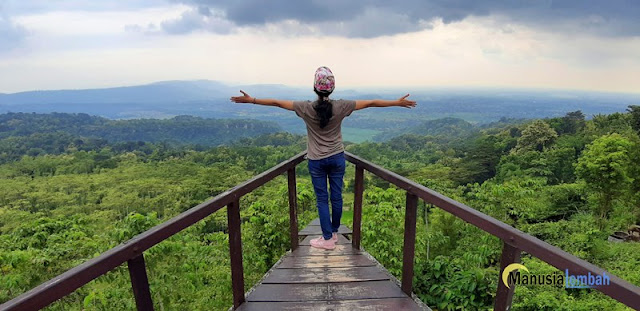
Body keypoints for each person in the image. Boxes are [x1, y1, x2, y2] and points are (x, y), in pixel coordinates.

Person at [230, 66, 416, 250]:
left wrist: (252, 100)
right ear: (332, 88)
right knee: (337, 197)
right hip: (337, 158)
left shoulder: (305, 108)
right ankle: (334, 233)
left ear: (315, 88)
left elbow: (277, 103)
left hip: (317, 161)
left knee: (322, 199)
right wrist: (396, 103)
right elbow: (371, 103)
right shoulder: (342, 106)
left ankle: (327, 239)